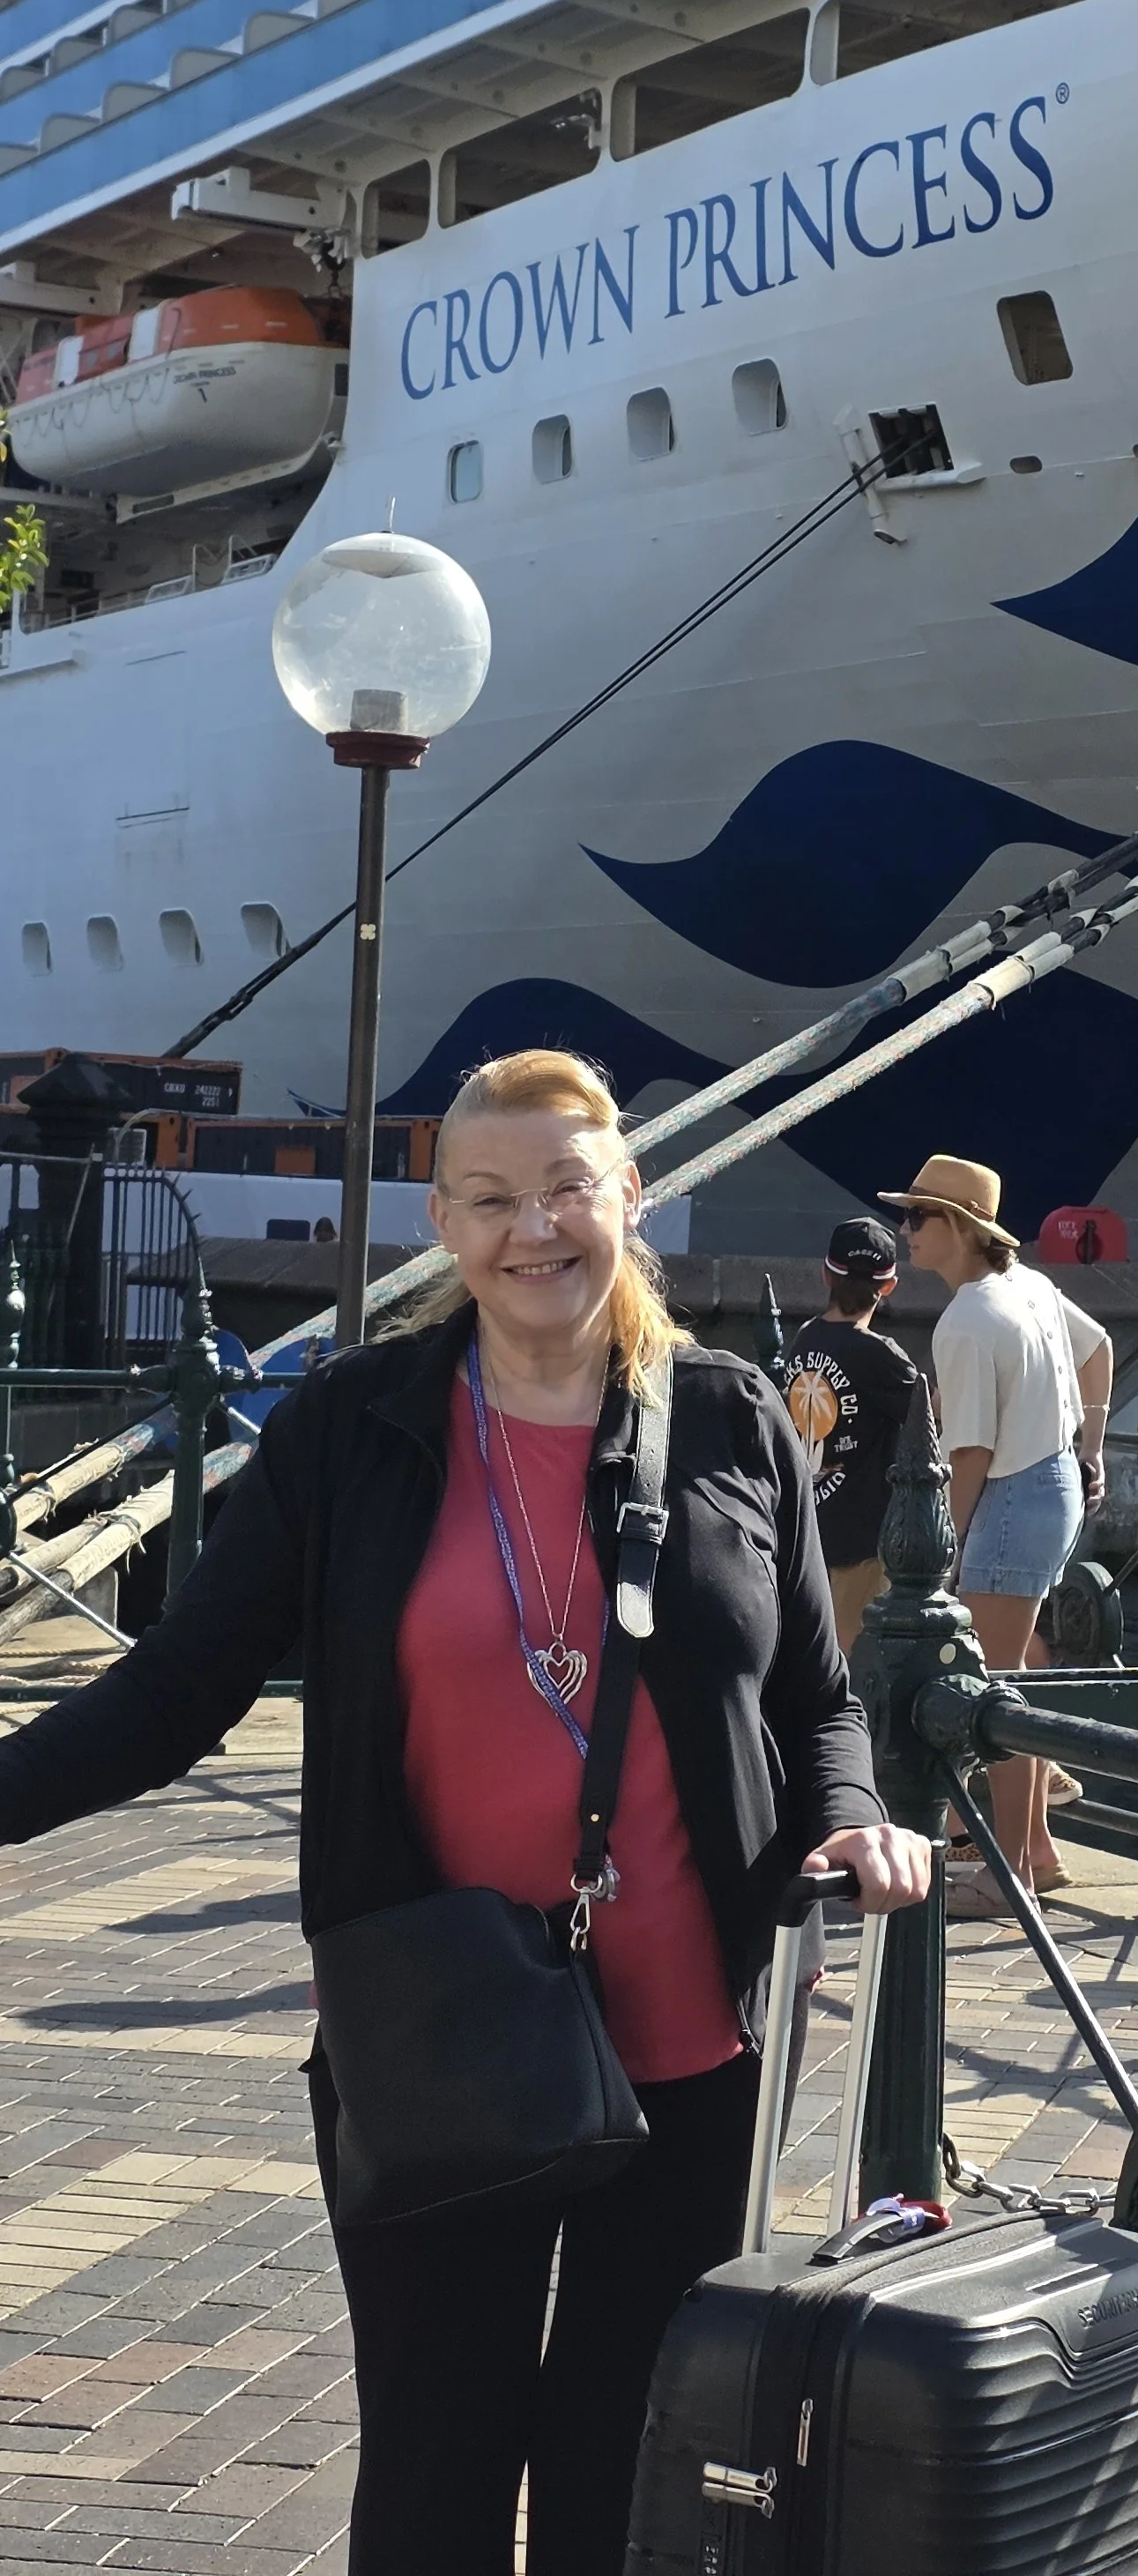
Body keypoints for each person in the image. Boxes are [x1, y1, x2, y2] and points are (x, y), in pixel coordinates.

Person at [0, 1048, 929, 2576]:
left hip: (692, 2047)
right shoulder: (351, 1428)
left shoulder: (731, 1415)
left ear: (629, 1196)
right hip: (433, 2041)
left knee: (622, 2474)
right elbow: (179, 1688)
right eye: (491, 1200)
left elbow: (817, 1699)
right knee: (435, 2467)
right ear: (443, 1220)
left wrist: (846, 1815)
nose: (532, 1230)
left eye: (567, 1188)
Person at [879, 1154, 1112, 1911]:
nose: (905, 1231)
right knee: (1018, 1683)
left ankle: (1006, 1875)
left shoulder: (967, 1318)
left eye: (918, 1217)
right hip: (1054, 1488)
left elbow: (969, 1452)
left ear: (960, 1229)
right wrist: (1092, 1446)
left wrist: (946, 1550)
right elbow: (1099, 1348)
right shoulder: (1029, 1286)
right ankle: (1035, 1851)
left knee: (996, 1696)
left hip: (1011, 1495)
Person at [781, 1215, 922, 1649]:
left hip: (810, 1532)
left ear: (826, 1274)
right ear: (889, 1286)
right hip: (862, 1542)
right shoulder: (881, 1357)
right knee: (853, 1659)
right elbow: (927, 1421)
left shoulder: (805, 1339)